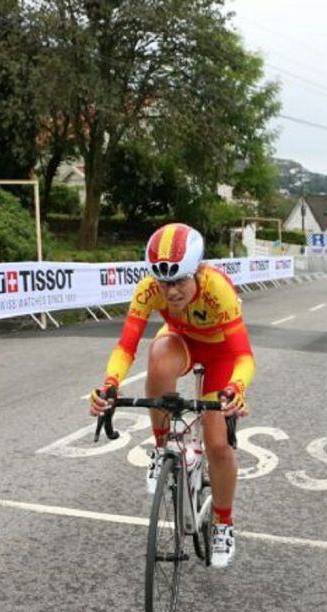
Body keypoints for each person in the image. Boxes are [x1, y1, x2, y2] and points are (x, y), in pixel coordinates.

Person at [89, 223, 252, 568]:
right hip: (181, 341)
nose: (172, 291)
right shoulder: (149, 290)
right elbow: (126, 346)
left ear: (198, 271)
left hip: (220, 354)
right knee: (157, 358)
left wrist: (235, 389)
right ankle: (164, 446)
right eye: (165, 282)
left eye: (180, 280)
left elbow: (243, 356)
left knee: (217, 443)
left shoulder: (216, 289)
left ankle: (223, 522)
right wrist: (110, 384)